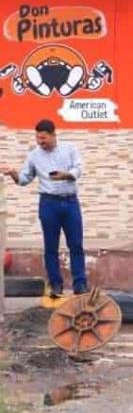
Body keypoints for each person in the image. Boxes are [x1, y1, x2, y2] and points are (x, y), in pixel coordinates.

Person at [2, 119, 86, 298]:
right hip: (48, 204)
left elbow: (78, 168)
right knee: (50, 247)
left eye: (44, 138)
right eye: (38, 138)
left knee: (76, 245)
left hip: (70, 202)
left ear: (53, 134)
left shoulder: (69, 148)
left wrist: (67, 175)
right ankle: (55, 285)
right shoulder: (34, 155)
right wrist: (13, 173)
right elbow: (24, 179)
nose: (40, 142)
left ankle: (80, 285)